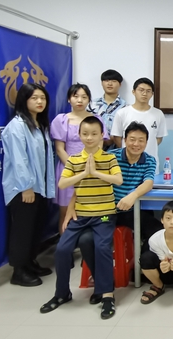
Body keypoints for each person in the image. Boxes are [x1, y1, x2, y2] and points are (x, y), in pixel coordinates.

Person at [40, 116, 122, 320]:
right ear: (79, 135)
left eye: (94, 134)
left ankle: (107, 295)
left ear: (102, 135)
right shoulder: (74, 159)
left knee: (102, 248)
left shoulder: (109, 158)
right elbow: (62, 184)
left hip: (104, 214)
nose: (89, 137)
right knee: (62, 249)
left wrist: (96, 172)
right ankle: (62, 293)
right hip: (81, 214)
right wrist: (85, 173)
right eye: (85, 134)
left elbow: (118, 180)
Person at [70, 121, 159, 305]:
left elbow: (148, 182)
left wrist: (132, 196)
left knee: (157, 231)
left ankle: (141, 268)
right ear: (125, 139)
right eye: (132, 139)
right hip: (106, 213)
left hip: (130, 212)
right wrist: (72, 206)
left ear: (146, 142)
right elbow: (86, 182)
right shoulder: (111, 157)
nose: (136, 144)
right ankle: (102, 284)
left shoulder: (149, 160)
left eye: (141, 140)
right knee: (86, 240)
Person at [2, 83, 55, 287]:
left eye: (43, 98)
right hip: (23, 189)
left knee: (35, 226)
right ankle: (18, 271)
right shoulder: (17, 126)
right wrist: (26, 187)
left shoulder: (39, 124)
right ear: (24, 100)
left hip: (39, 186)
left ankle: (30, 262)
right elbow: (19, 160)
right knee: (22, 230)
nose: (40, 101)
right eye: (34, 98)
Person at [52, 83, 108, 233]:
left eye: (84, 97)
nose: (79, 100)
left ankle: (85, 245)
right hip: (68, 170)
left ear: (89, 100)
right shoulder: (61, 120)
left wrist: (89, 168)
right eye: (75, 96)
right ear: (69, 99)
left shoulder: (96, 120)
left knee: (89, 211)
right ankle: (65, 245)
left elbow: (99, 148)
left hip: (92, 170)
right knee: (65, 213)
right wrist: (75, 168)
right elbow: (59, 149)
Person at [111, 77, 167, 173]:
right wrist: (132, 149)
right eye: (141, 90)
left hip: (150, 165)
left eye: (148, 91)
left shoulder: (158, 114)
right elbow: (117, 138)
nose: (144, 94)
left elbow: (158, 139)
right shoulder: (122, 113)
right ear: (133, 92)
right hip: (126, 164)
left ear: (152, 94)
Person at [90, 69, 126, 150]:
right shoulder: (92, 104)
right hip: (93, 148)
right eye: (106, 81)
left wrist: (113, 138)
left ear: (120, 84)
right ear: (101, 83)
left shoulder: (125, 107)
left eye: (114, 81)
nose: (110, 84)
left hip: (116, 150)